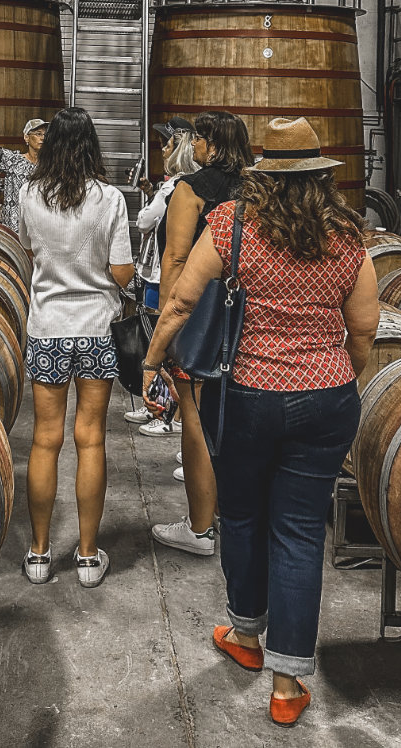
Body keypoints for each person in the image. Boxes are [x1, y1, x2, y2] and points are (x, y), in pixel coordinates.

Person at [140, 116, 380, 727]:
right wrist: (337, 374)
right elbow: (364, 329)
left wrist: (151, 360)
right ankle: (288, 682)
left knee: (242, 514)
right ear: (321, 177)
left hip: (245, 394)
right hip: (325, 396)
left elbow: (182, 302)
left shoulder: (233, 225)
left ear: (265, 174)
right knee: (300, 531)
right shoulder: (350, 236)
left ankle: (246, 636)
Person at [17, 106, 134, 589]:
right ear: (90, 145)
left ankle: (40, 553)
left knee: (46, 439)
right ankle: (87, 557)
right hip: (96, 328)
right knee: (91, 438)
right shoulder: (109, 199)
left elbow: (29, 251)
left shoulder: (29, 195)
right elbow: (124, 272)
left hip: (47, 326)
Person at [151, 110, 253, 556]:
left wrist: (169, 329)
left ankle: (198, 528)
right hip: (251, 317)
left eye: (197, 140)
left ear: (211, 145)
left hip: (203, 318)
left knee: (194, 419)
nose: (191, 147)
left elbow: (175, 260)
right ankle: (237, 519)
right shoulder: (257, 189)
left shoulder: (190, 190)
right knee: (241, 421)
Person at [127, 122, 200, 439]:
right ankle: (156, 403)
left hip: (161, 278)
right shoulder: (176, 186)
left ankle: (164, 411)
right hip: (158, 275)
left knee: (162, 344)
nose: (162, 149)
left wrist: (154, 197)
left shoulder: (174, 188)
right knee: (157, 342)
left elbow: (144, 222)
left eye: (166, 144)